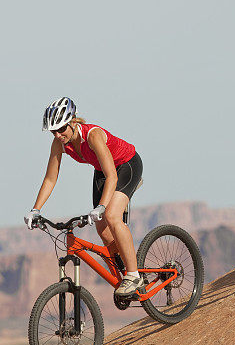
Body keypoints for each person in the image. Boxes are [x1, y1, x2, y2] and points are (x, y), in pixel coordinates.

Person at [25, 97, 145, 297]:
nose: (58, 134)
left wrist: (102, 207)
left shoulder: (93, 135)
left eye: (61, 129)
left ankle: (133, 275)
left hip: (126, 165)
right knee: (103, 230)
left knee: (112, 216)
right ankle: (123, 269)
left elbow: (112, 176)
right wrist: (35, 210)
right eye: (53, 131)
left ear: (72, 121)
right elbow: (50, 179)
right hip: (102, 170)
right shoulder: (59, 143)